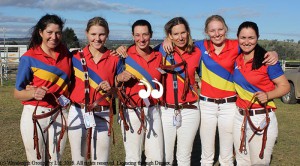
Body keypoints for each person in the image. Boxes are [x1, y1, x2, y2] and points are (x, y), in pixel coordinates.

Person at [163, 15, 279, 166]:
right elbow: (181, 42)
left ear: (226, 29)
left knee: (226, 154)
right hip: (206, 106)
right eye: (212, 30)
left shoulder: (237, 45)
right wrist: (167, 40)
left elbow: (252, 45)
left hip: (230, 106)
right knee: (206, 154)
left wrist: (274, 52)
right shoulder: (200, 46)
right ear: (206, 32)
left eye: (220, 29)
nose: (217, 34)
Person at [14, 14, 72, 164]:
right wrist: (33, 92)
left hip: (60, 113)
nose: (54, 37)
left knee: (56, 161)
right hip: (35, 115)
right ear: (40, 33)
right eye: (49, 32)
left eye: (58, 32)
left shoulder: (66, 54)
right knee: (36, 161)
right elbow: (17, 92)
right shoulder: (29, 57)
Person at [232, 21, 290, 165]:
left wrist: (268, 95)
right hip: (240, 117)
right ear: (237, 38)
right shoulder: (237, 57)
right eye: (243, 37)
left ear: (258, 37)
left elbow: (285, 86)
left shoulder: (267, 60)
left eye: (251, 38)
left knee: (259, 162)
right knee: (241, 161)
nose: (246, 42)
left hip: (260, 118)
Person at [67, 17, 122, 165]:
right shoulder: (74, 57)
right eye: (93, 34)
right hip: (78, 112)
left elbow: (121, 93)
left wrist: (112, 89)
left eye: (101, 34)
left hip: (103, 114)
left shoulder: (115, 59)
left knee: (101, 162)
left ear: (107, 34)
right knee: (78, 161)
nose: (97, 39)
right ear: (86, 33)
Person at [115, 19, 164, 164]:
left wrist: (167, 38)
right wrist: (119, 78)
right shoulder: (124, 56)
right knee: (132, 158)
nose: (141, 39)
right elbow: (113, 82)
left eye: (145, 35)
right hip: (131, 111)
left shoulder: (159, 56)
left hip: (153, 110)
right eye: (137, 35)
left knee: (156, 157)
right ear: (132, 36)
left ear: (151, 35)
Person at [156, 17, 201, 165]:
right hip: (166, 110)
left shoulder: (197, 52)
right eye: (175, 34)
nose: (180, 37)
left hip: (190, 109)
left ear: (188, 32)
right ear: (169, 35)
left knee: (184, 155)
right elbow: (138, 50)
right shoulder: (161, 50)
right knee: (165, 155)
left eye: (183, 32)